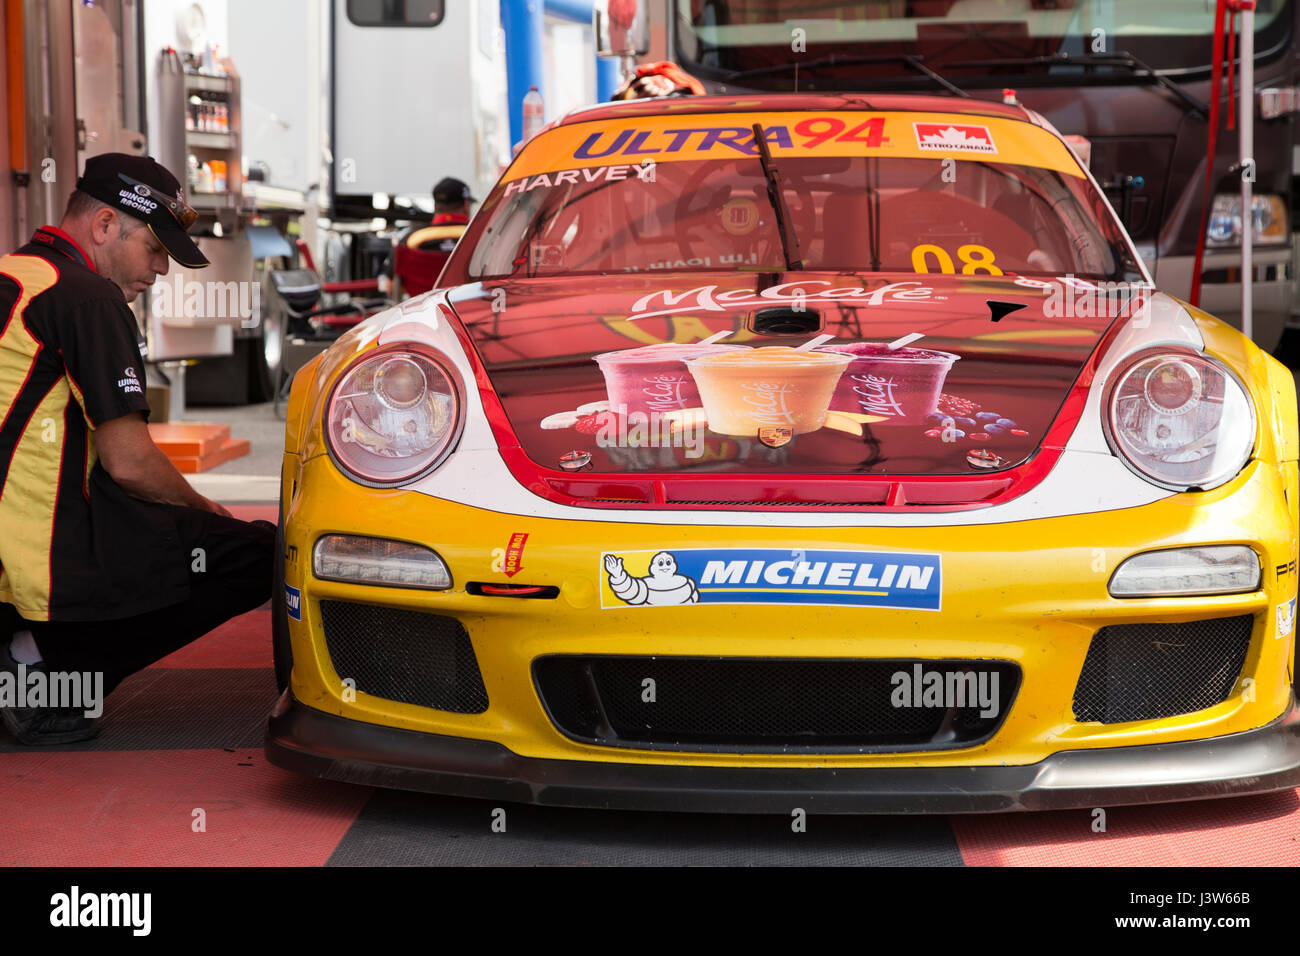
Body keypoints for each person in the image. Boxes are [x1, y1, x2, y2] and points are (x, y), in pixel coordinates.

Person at [0, 152, 275, 745]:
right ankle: (42, 677)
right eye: (155, 249)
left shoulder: (14, 276)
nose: (162, 270)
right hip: (31, 563)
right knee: (255, 556)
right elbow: (129, 463)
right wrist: (205, 511)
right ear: (104, 227)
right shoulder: (87, 300)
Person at [389, 177, 477, 297]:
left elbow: (391, 286)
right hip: (469, 311)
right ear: (466, 206)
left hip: (423, 313)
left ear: (435, 206)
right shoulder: (481, 236)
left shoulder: (410, 240)